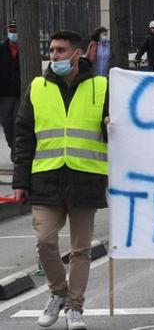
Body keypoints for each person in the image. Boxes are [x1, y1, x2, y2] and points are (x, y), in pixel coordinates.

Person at [10, 30, 108, 330]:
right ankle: (57, 292)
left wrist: (109, 124)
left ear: (77, 54)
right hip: (46, 178)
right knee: (44, 241)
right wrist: (19, 181)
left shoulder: (101, 87)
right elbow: (24, 135)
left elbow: (119, 128)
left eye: (61, 50)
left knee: (80, 250)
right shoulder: (37, 87)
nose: (54, 56)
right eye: (51, 50)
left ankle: (74, 308)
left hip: (85, 179)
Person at [0, 20, 20, 148]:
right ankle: (13, 146)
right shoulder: (2, 48)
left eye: (15, 30)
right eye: (11, 30)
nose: (13, 33)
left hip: (20, 92)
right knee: (7, 124)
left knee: (18, 123)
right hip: (5, 93)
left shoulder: (25, 48)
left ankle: (17, 152)